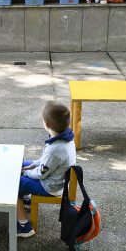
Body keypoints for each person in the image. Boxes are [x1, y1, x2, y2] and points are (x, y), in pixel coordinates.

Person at [17, 101, 77, 237]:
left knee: (16, 182)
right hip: (55, 177)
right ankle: (26, 199)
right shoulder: (65, 137)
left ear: (47, 124)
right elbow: (45, 162)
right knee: (22, 164)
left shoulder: (56, 149)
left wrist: (26, 172)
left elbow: (42, 173)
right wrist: (32, 164)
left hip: (50, 186)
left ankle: (24, 226)